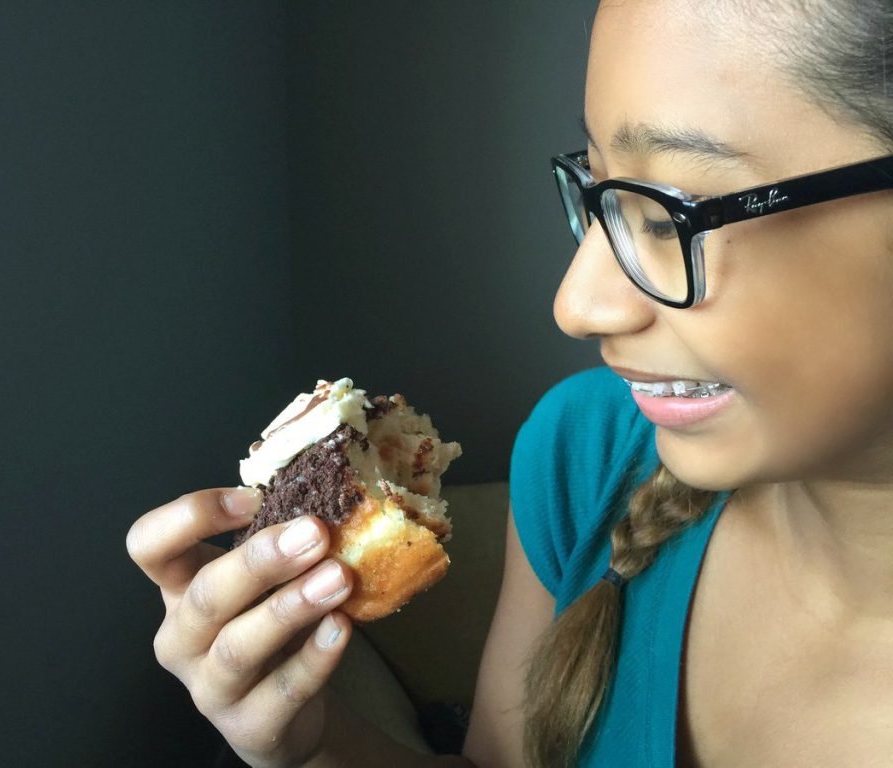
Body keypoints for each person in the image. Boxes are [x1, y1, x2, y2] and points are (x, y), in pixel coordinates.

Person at [126, 1, 893, 765]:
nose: (577, 304)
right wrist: (311, 745)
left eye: (671, 214)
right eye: (599, 189)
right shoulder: (588, 456)